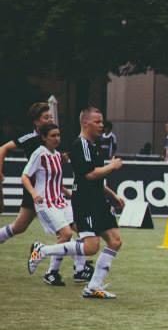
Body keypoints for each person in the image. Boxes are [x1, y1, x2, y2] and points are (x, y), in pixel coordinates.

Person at [0, 102, 92, 282]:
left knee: (70, 230)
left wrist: (65, 190)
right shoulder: (31, 140)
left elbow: (54, 172)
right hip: (37, 193)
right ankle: (63, 268)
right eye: (45, 117)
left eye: (50, 116)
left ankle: (77, 267)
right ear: (36, 122)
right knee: (25, 227)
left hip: (52, 194)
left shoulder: (53, 143)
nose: (49, 119)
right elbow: (3, 149)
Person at [65, 107, 126, 299]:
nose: (101, 125)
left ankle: (93, 287)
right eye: (97, 122)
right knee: (91, 247)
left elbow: (97, 179)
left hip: (98, 200)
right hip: (86, 201)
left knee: (115, 241)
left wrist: (113, 195)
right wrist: (112, 166)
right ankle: (43, 250)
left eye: (102, 121)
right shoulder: (81, 144)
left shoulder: (94, 145)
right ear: (85, 123)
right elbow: (90, 174)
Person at [24, 123, 82, 286]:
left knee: (82, 229)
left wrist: (70, 193)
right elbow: (25, 176)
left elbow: (56, 183)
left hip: (60, 201)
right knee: (66, 234)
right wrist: (34, 194)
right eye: (53, 136)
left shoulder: (57, 155)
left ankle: (80, 268)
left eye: (58, 135)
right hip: (45, 203)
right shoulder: (39, 153)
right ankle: (51, 272)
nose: (57, 138)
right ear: (44, 138)